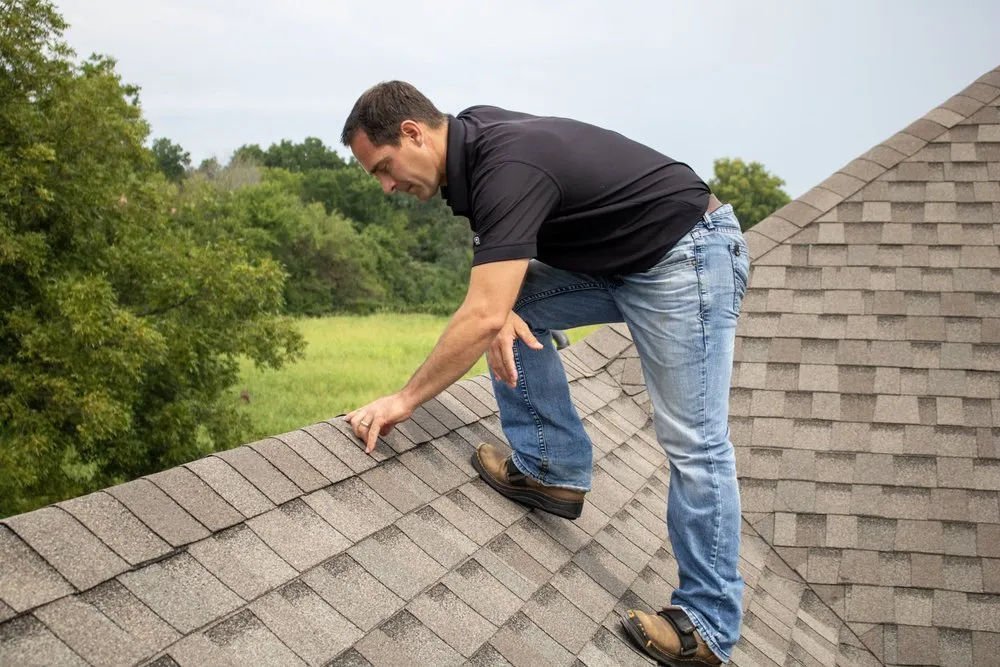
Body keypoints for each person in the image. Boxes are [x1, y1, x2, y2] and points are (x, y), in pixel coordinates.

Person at [340, 80, 748, 666]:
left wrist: (404, 401)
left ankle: (708, 625)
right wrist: (497, 311)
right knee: (514, 304)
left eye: (383, 167)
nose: (385, 186)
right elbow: (497, 293)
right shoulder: (471, 140)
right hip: (626, 259)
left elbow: (480, 314)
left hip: (688, 254)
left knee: (694, 441)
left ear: (413, 133)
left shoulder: (502, 165)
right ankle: (551, 469)